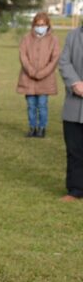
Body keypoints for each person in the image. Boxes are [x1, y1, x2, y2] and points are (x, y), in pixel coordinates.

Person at [16, 12, 61, 138]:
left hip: (45, 79)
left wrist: (42, 73)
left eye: (43, 24)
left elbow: (55, 58)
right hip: (28, 78)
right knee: (31, 106)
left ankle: (42, 128)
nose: (40, 27)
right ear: (34, 25)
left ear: (47, 25)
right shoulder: (26, 38)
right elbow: (23, 55)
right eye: (38, 24)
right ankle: (32, 127)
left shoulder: (54, 39)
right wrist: (31, 71)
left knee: (42, 105)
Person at [57, 21, 83, 202]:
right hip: (74, 105)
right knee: (74, 150)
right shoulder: (73, 36)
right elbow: (64, 62)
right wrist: (75, 83)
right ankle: (75, 189)